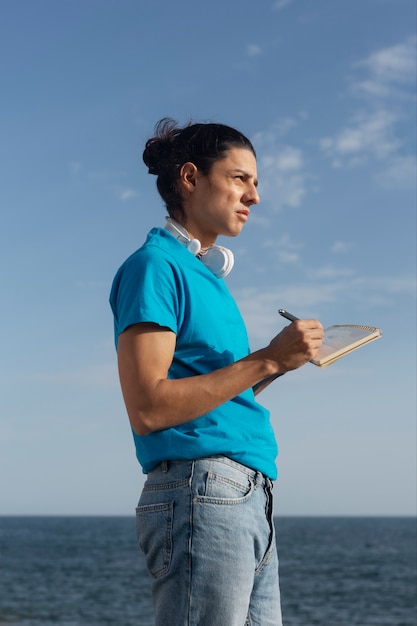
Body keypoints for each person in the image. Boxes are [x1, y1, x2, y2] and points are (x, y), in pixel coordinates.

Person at [109, 118, 323, 626]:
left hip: (246, 494)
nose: (254, 195)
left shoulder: (204, 278)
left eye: (256, 182)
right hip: (201, 491)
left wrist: (281, 361)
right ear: (190, 177)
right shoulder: (154, 267)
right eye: (240, 178)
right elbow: (149, 407)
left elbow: (215, 393)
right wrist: (265, 358)